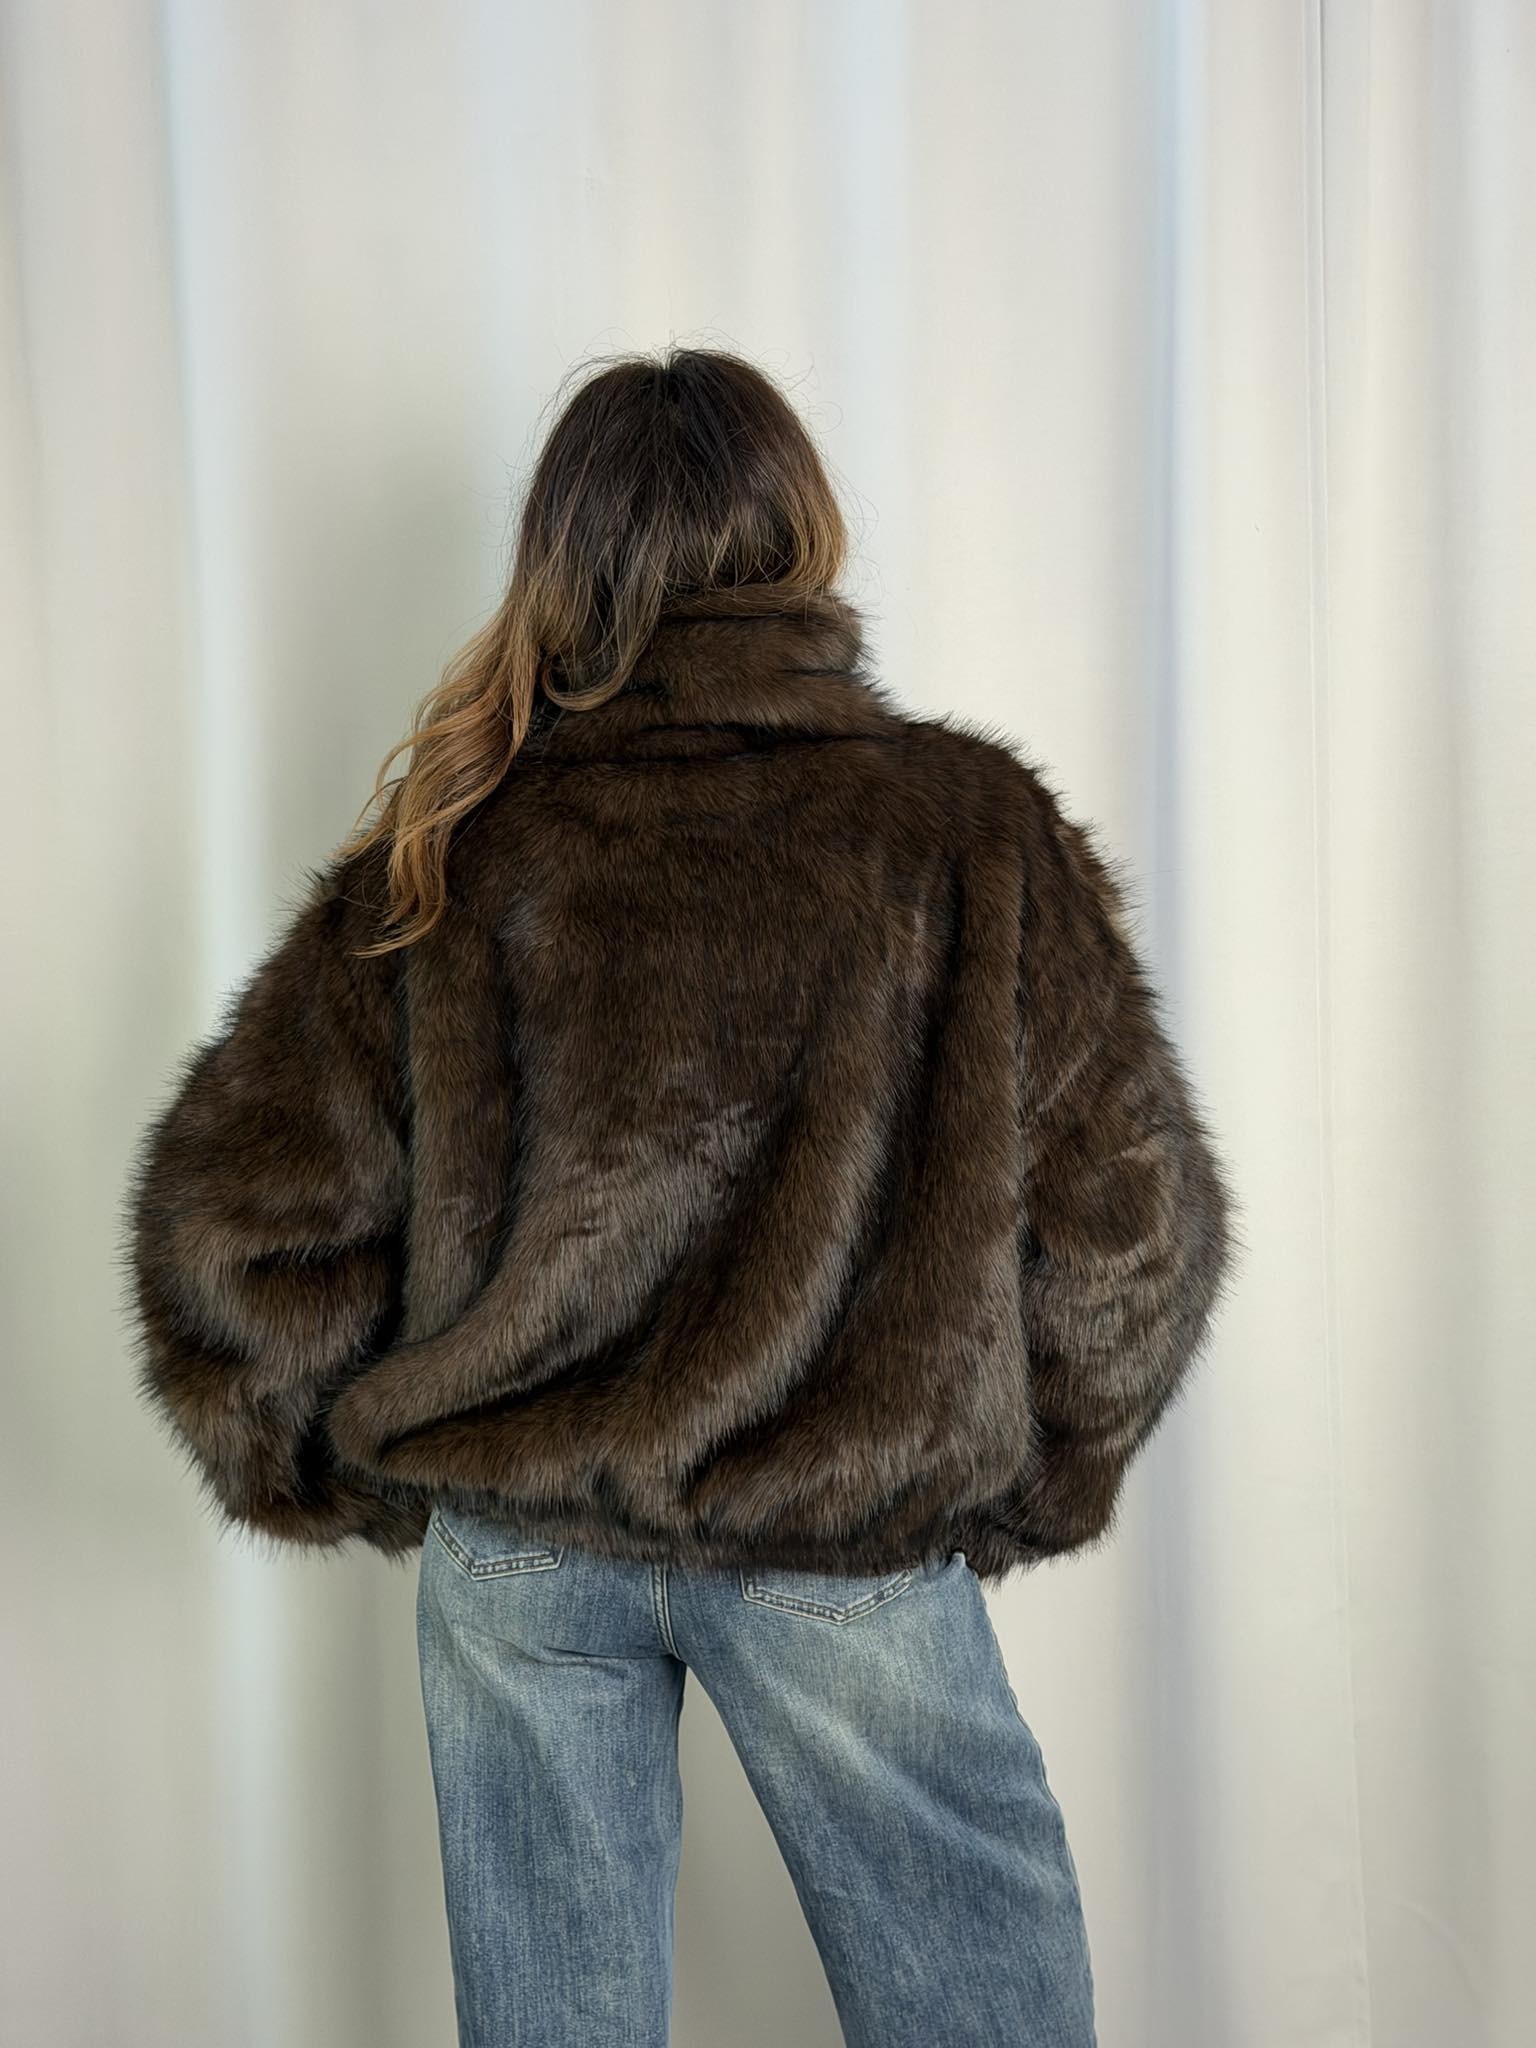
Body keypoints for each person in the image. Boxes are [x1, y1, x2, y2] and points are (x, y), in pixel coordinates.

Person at [122, 346, 1238, 2048]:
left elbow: (239, 1230)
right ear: (800, 536)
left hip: (518, 1548)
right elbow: (1130, 1229)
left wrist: (328, 1467)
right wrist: (1025, 1477)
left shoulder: (458, 845)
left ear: (566, 562)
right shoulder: (965, 835)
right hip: (839, 1537)